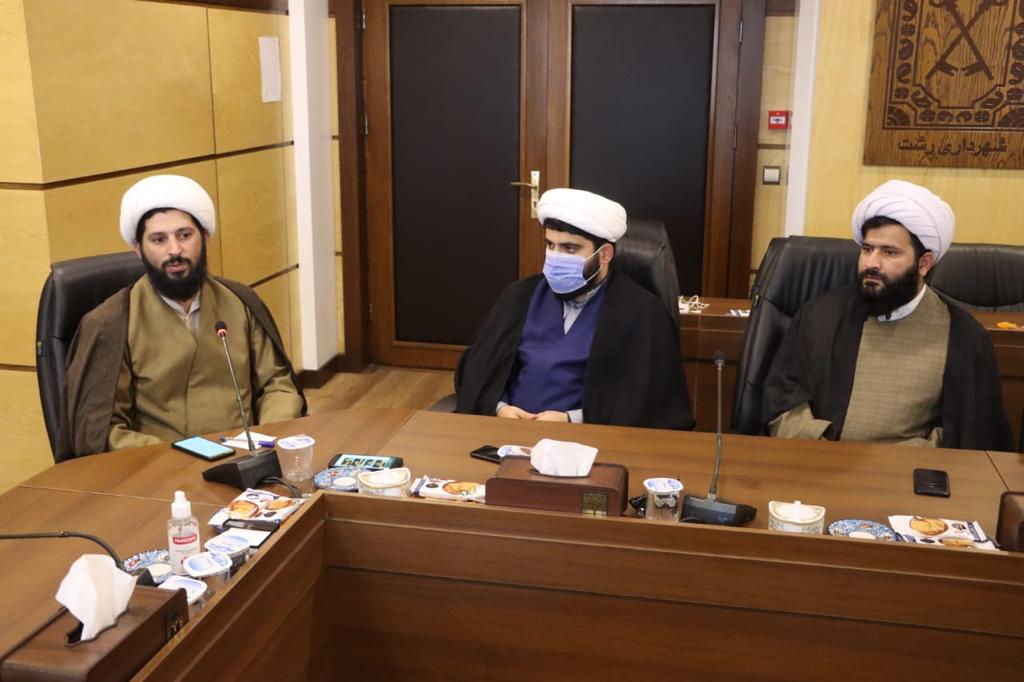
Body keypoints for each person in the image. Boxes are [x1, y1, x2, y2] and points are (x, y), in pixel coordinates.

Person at [59, 174, 306, 456]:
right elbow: (103, 429)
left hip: (248, 457)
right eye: (158, 239)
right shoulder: (110, 324)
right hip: (160, 465)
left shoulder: (240, 302)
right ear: (138, 249)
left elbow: (277, 385)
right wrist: (179, 456)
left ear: (205, 237)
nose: (174, 250)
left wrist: (266, 439)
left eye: (185, 235)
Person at [762, 179, 1012, 450]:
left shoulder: (963, 337)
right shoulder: (820, 316)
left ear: (924, 263)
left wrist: (892, 461)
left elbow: (971, 435)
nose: (872, 263)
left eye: (889, 252)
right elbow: (783, 401)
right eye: (867, 249)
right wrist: (827, 452)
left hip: (909, 473)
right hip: (820, 464)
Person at [455, 188, 694, 430]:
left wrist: (571, 419)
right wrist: (499, 408)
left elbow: (648, 404)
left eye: (570, 248)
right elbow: (478, 372)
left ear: (605, 254)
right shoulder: (520, 296)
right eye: (550, 245)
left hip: (590, 441)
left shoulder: (642, 312)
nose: (555, 257)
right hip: (508, 432)